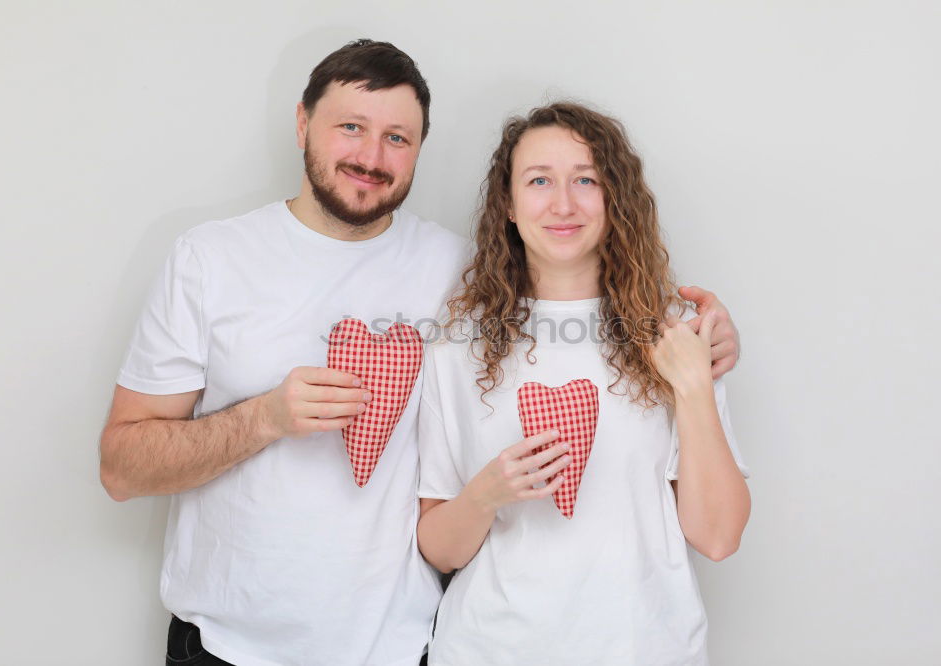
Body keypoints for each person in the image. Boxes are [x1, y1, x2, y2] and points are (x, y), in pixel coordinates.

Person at [99, 39, 741, 665]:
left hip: (402, 644)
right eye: (350, 126)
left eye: (397, 137)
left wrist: (703, 352)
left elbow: (567, 296)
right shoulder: (211, 260)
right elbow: (122, 468)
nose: (371, 155)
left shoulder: (461, 280)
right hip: (228, 642)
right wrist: (264, 418)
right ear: (301, 123)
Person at [416, 102, 751, 665]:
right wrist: (487, 493)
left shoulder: (674, 335)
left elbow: (717, 537)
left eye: (586, 180)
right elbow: (440, 551)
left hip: (645, 648)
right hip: (490, 649)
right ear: (509, 205)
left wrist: (693, 388)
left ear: (614, 198)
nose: (564, 203)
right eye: (540, 180)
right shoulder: (457, 347)